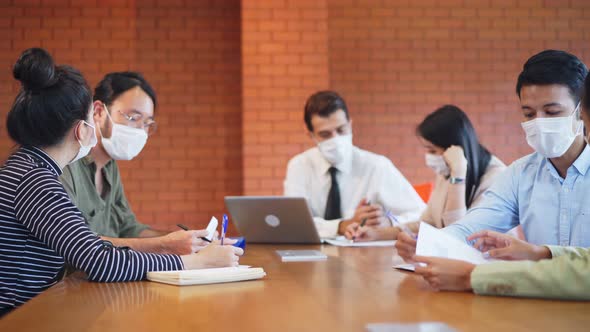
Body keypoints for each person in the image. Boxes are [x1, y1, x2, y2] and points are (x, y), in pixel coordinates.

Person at [0, 48, 242, 316]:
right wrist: (193, 263)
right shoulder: (36, 180)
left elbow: (95, 247)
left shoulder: (26, 168)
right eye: (92, 117)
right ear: (82, 129)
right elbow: (100, 261)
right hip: (18, 316)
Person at [396, 49, 590, 261]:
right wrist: (427, 244)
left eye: (552, 112)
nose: (539, 122)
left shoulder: (496, 171)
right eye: (529, 114)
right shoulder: (520, 174)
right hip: (539, 292)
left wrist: (541, 254)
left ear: (582, 111)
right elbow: (471, 227)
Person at [60, 72, 221, 255]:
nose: (140, 131)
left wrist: (186, 239)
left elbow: (129, 229)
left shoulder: (110, 168)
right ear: (98, 112)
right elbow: (80, 244)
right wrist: (166, 245)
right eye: (133, 118)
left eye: (147, 123)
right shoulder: (67, 165)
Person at [346, 105, 506, 241]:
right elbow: (426, 224)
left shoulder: (495, 178)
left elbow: (458, 236)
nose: (429, 157)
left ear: (455, 149)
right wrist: (376, 234)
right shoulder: (447, 171)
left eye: (433, 150)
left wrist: (458, 175)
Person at [283, 90, 425, 238]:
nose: (336, 139)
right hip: (313, 254)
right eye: (325, 134)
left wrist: (389, 222)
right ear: (310, 135)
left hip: (364, 255)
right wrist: (341, 226)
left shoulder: (377, 166)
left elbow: (421, 215)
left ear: (350, 125)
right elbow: (293, 223)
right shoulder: (299, 166)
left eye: (341, 130)